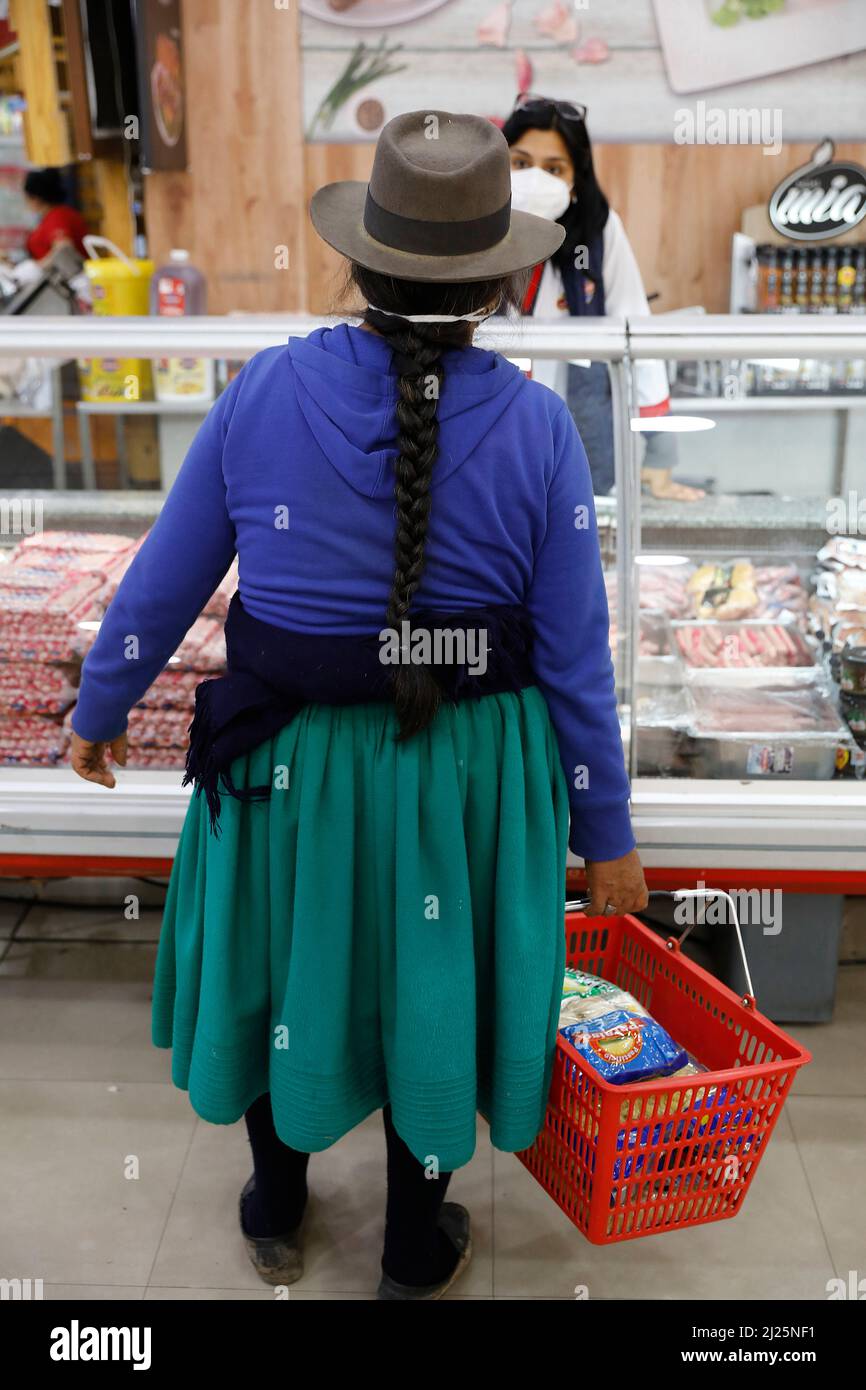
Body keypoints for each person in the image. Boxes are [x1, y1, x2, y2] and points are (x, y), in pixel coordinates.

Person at [68, 110, 648, 1300]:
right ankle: (408, 1244)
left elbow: (164, 577)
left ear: (355, 258)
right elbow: (574, 657)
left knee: (284, 969)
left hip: (286, 761)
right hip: (464, 768)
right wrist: (608, 836)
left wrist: (101, 701)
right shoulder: (538, 428)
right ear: (496, 282)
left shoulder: (262, 391)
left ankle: (275, 1205)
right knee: (427, 983)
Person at [503, 94, 704, 501]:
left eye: (554, 168)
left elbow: (634, 327)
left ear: (576, 177)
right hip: (484, 426)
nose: (535, 179)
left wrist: (660, 449)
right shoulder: (468, 227)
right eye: (520, 163)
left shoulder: (598, 230)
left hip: (571, 426)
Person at [22, 167, 89, 262]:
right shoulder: (50, 217)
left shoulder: (58, 216)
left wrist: (40, 267)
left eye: (27, 198)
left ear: (36, 198)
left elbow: (64, 247)